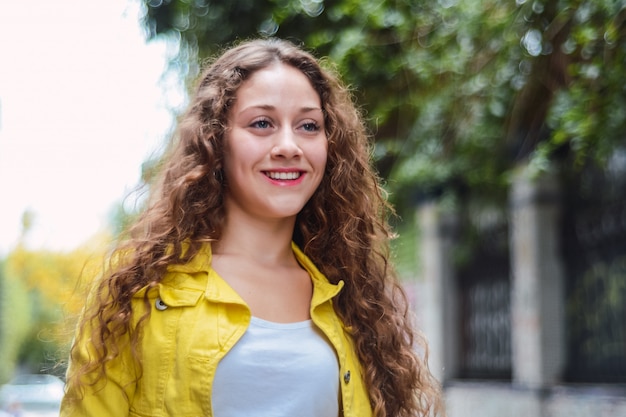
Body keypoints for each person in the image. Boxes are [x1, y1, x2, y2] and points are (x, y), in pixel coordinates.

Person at [60, 37, 443, 417]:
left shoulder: (352, 298)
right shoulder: (140, 289)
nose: (289, 145)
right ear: (215, 141)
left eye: (309, 125)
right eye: (262, 123)